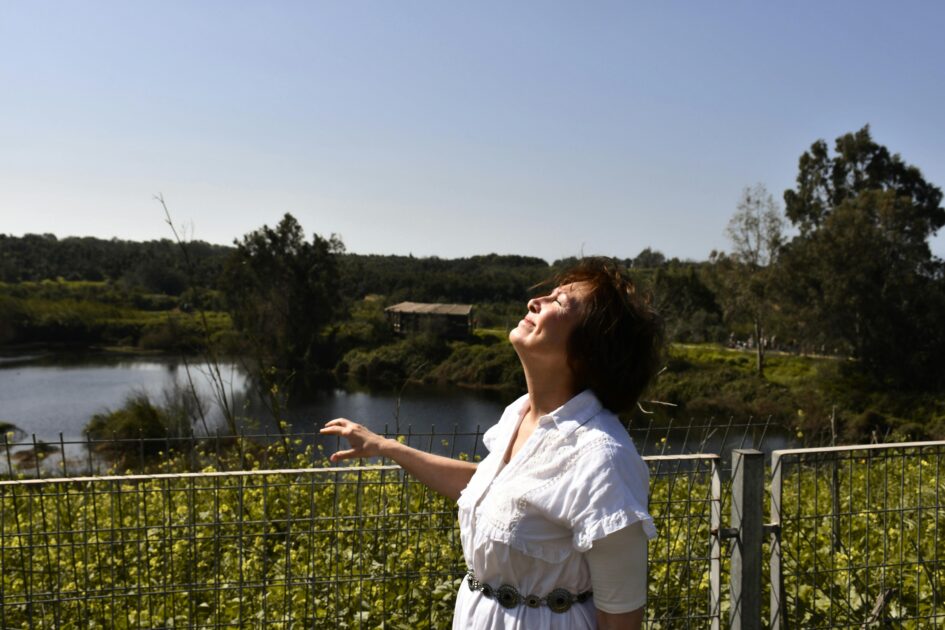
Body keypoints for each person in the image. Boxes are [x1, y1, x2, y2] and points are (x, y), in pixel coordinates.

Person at [320, 257, 663, 629]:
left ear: (590, 349)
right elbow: (492, 490)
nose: (535, 301)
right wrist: (384, 447)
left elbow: (621, 618)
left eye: (559, 302)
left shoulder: (604, 458)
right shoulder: (519, 415)